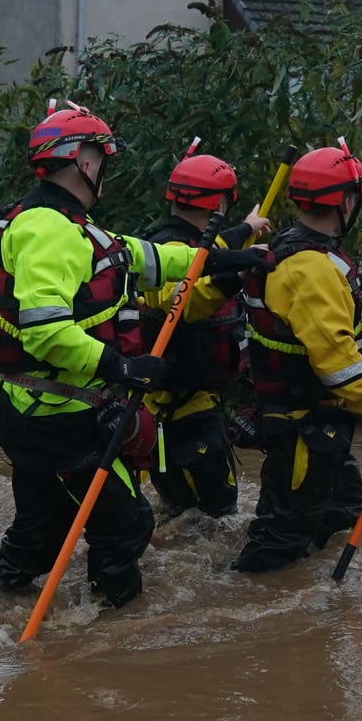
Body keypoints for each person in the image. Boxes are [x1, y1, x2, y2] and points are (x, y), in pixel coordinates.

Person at [0, 105, 267, 609]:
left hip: (25, 407)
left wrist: (221, 256)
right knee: (127, 524)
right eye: (100, 157)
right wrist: (122, 367)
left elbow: (147, 257)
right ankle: (110, 627)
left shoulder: (28, 224)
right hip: (60, 412)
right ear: (84, 163)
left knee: (40, 526)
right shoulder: (53, 231)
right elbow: (46, 330)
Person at [233, 143, 362, 575]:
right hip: (304, 425)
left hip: (320, 424)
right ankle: (253, 622)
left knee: (343, 518)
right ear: (343, 201)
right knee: (279, 542)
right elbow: (335, 360)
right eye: (355, 197)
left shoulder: (287, 248)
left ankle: (318, 621)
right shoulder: (313, 268)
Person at [136, 144, 259, 519]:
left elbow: (217, 248)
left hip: (175, 406)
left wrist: (248, 229)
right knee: (218, 515)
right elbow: (181, 302)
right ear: (218, 204)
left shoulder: (189, 242)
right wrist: (231, 280)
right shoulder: (168, 250)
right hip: (183, 409)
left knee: (180, 511)